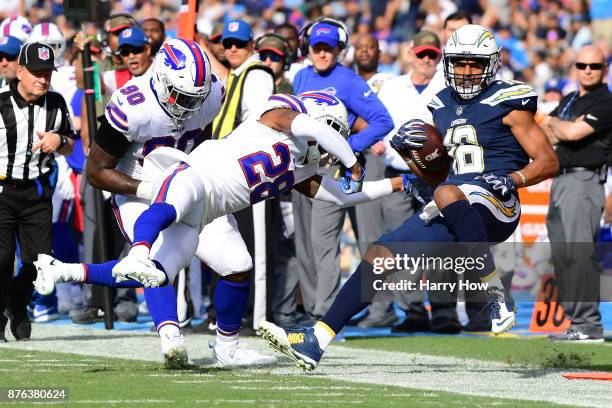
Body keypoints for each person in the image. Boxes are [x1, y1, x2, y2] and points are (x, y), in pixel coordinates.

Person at [258, 24, 559, 372]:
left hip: (498, 205)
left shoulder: (508, 101)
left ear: (490, 65)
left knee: (448, 192)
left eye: (474, 63)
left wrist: (513, 178)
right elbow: (445, 172)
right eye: (459, 63)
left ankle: (494, 296)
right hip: (455, 204)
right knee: (380, 253)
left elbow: (549, 161)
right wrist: (419, 172)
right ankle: (318, 339)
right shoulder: (441, 103)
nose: (465, 71)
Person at [33, 92, 416, 355]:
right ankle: (138, 250)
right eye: (336, 134)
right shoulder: (280, 114)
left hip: (210, 213)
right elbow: (316, 130)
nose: (331, 148)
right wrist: (352, 161)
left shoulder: (303, 167)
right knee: (169, 207)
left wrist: (398, 183)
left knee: (172, 273)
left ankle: (63, 271)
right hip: (197, 175)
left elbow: (344, 196)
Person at [292, 19, 393, 322]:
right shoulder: (300, 78)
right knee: (320, 243)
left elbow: (382, 120)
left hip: (347, 169)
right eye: (317, 48)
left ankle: (380, 309)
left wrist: (347, 146)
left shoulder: (348, 81)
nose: (322, 54)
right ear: (308, 49)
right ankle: (322, 311)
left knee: (369, 240)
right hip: (315, 169)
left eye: (328, 49)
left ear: (338, 50)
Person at [0, 42, 75, 341]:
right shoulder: (1, 102)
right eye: (36, 73)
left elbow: (70, 142)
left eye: (47, 73)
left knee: (39, 262)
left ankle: (17, 305)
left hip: (37, 193)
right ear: (19, 71)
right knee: (2, 257)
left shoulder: (56, 104)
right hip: (3, 190)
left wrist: (59, 140)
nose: (43, 79)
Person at [542, 45, 612, 343]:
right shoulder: (571, 99)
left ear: (604, 69)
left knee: (579, 252)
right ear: (574, 66)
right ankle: (577, 322)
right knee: (563, 253)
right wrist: (560, 126)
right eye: (582, 64)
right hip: (560, 180)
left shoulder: (606, 103)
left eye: (594, 66)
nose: (587, 70)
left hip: (584, 180)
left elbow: (568, 134)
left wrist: (559, 126)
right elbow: (545, 130)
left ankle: (588, 324)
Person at [349, 32, 397, 328]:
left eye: (371, 48)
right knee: (361, 238)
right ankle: (374, 303)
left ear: (380, 52)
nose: (365, 52)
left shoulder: (391, 82)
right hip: (352, 159)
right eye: (360, 47)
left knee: (375, 236)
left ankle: (384, 307)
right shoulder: (347, 80)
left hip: (379, 159)